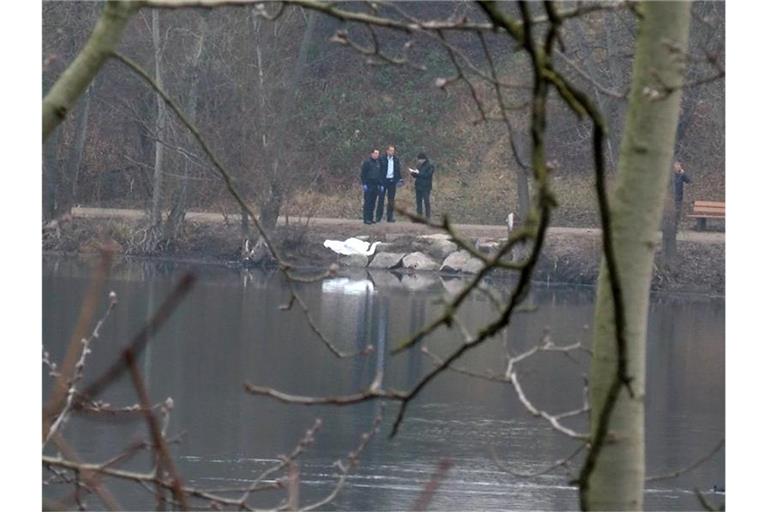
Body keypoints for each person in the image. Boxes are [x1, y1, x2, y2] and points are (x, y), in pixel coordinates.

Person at [376, 144, 403, 223]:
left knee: (391, 199)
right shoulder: (382, 159)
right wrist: (379, 181)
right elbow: (379, 170)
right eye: (390, 150)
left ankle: (390, 217)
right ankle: (378, 217)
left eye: (393, 151)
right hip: (383, 181)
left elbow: (397, 170)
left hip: (392, 181)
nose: (392, 152)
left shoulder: (396, 159)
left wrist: (399, 179)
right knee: (381, 199)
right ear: (387, 151)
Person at [410, 152, 435, 219]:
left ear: (423, 159)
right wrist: (413, 173)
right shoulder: (418, 165)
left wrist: (419, 173)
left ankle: (428, 217)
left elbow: (428, 175)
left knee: (426, 202)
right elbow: (417, 175)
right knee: (418, 202)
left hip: (426, 186)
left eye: (419, 159)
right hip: (418, 185)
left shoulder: (430, 165)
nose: (419, 161)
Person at [360, 149, 381, 224]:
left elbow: (379, 174)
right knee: (367, 202)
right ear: (371, 154)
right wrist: (364, 184)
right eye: (375, 153)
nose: (376, 155)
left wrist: (380, 184)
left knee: (373, 202)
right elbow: (363, 174)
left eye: (377, 154)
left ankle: (371, 218)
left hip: (376, 185)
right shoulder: (367, 162)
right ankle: (366, 219)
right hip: (368, 184)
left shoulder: (378, 163)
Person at [673, 160, 691, 224]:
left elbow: (689, 181)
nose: (678, 167)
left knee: (678, 212)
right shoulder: (672, 175)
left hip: (679, 197)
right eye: (677, 165)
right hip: (671, 197)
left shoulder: (682, 175)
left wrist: (683, 174)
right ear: (674, 166)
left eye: (679, 165)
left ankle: (676, 224)